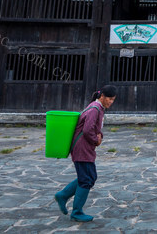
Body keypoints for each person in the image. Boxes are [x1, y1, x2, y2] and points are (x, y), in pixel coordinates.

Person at [54, 85, 117, 222]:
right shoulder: (95, 109)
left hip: (85, 148)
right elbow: (88, 130)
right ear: (102, 96)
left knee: (89, 177)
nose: (111, 102)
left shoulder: (97, 108)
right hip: (82, 148)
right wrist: (96, 141)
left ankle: (63, 195)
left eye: (113, 100)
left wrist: (99, 136)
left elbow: (94, 127)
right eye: (110, 99)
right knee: (86, 179)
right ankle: (76, 211)